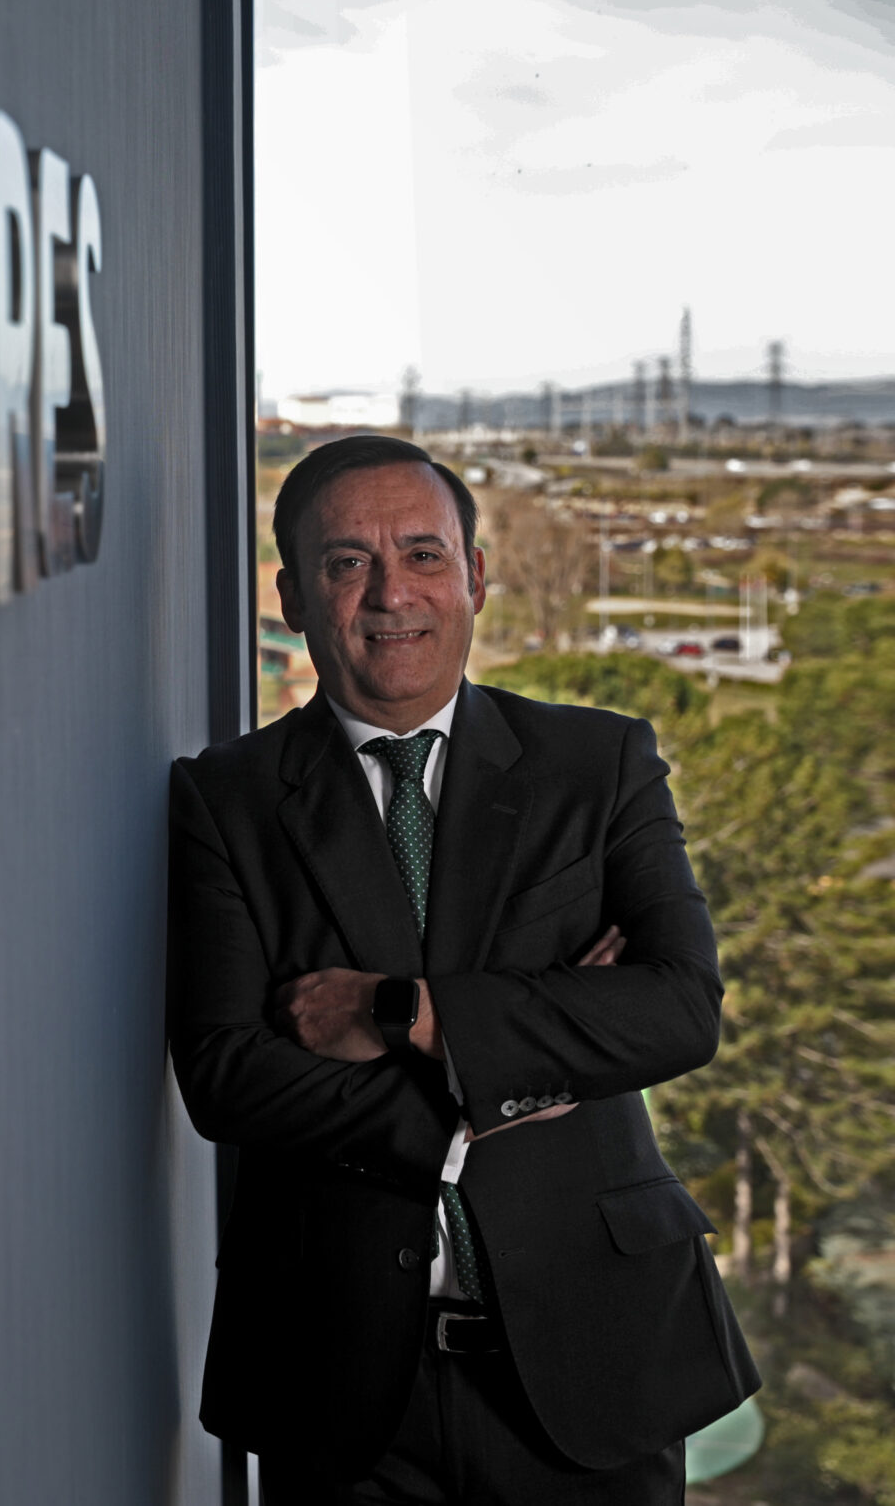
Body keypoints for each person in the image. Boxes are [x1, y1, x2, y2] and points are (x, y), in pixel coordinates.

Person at [169, 434, 756, 1504]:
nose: (391, 593)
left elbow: (677, 1008)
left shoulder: (598, 765)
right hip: (338, 1385)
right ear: (291, 597)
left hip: (593, 1363)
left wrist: (402, 1011)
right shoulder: (227, 799)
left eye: (422, 554)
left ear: (474, 576)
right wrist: (506, 1079)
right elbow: (227, 1075)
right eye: (347, 562)